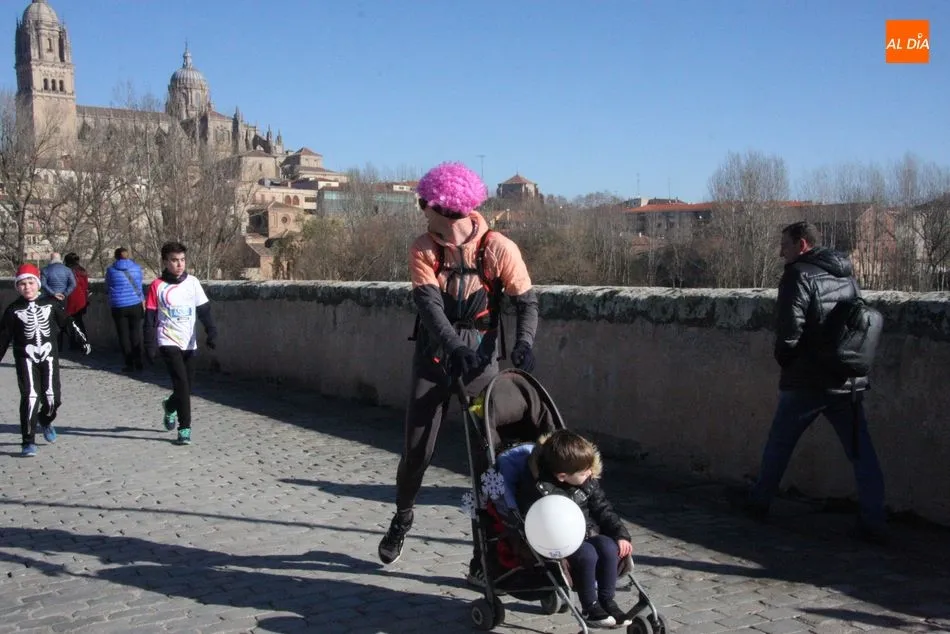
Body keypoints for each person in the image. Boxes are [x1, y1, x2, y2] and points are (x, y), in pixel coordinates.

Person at [377, 162, 540, 583]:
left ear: (446, 210)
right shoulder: (423, 248)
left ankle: (484, 553)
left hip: (482, 357)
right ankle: (403, 515)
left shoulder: (498, 247)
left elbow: (526, 302)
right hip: (434, 356)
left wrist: (523, 344)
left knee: (487, 461)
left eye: (425, 204)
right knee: (417, 449)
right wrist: (453, 348)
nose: (421, 209)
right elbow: (429, 307)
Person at [732, 221, 888, 543]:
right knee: (862, 452)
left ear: (802, 244)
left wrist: (788, 362)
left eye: (785, 245)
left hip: (808, 378)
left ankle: (759, 502)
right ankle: (874, 520)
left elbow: (790, 330)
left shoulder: (798, 275)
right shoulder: (846, 273)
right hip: (846, 378)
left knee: (779, 444)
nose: (781, 253)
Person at [515, 430, 634, 629]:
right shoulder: (539, 489)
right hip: (558, 541)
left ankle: (607, 600)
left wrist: (620, 535)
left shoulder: (587, 482)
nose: (590, 474)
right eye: (584, 472)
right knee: (587, 553)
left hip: (586, 532)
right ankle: (590, 606)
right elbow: (535, 520)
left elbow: (604, 510)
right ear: (562, 476)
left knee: (608, 546)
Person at [0, 264, 91, 457]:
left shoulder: (51, 304)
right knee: (30, 397)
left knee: (52, 399)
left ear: (38, 283)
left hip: (49, 355)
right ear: (17, 287)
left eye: (30, 282)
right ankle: (28, 441)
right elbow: (3, 337)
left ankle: (45, 419)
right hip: (26, 358)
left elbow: (67, 322)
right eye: (22, 284)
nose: (27, 287)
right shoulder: (13, 310)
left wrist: (82, 340)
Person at [144, 241, 218, 446]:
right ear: (165, 262)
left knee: (187, 387)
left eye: (182, 260)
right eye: (174, 260)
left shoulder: (192, 282)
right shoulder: (157, 286)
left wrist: (211, 331)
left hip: (189, 342)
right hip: (167, 340)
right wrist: (149, 345)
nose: (179, 264)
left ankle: (170, 406)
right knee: (182, 384)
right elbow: (149, 318)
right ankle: (184, 429)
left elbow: (204, 311)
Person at [105, 247, 146, 372]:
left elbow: (108, 286)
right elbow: (139, 284)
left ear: (116, 257)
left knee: (123, 335)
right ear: (128, 256)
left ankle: (129, 363)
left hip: (118, 305)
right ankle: (139, 361)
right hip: (135, 304)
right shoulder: (137, 268)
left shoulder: (111, 270)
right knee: (135, 333)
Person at [63, 253, 90, 351]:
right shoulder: (82, 271)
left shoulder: (67, 271)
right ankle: (84, 342)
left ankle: (74, 343)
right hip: (82, 298)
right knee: (79, 321)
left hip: (71, 297)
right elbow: (86, 286)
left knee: (71, 321)